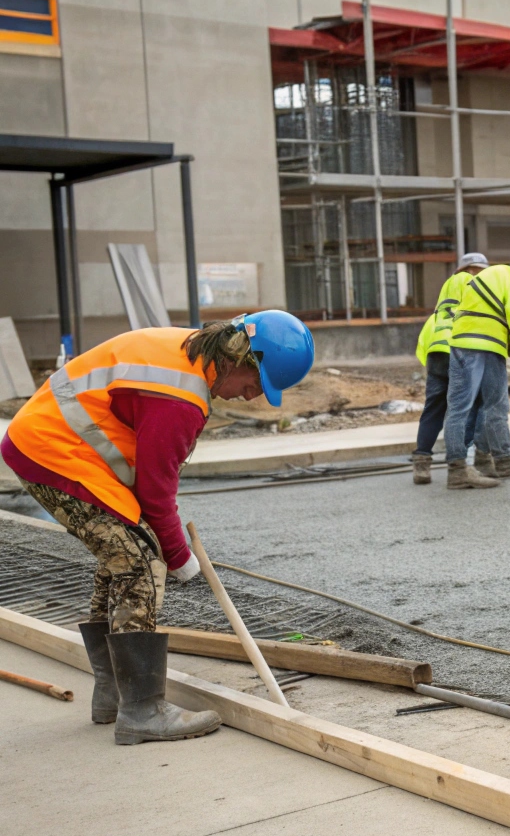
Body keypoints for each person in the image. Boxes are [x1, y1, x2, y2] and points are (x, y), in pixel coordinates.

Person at [1, 313, 314, 745]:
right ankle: (143, 710)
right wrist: (180, 558)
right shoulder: (179, 398)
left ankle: (112, 693)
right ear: (241, 356)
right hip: (54, 455)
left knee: (122, 556)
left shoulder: (187, 357)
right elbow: (155, 492)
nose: (253, 396)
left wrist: (167, 542)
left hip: (50, 446)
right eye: (257, 382)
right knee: (141, 564)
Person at [443, 260, 510, 489]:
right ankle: (462, 470)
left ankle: (490, 462)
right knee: (489, 405)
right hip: (484, 345)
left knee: (472, 406)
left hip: (467, 343)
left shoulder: (489, 276)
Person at [411, 253, 487, 484]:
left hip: (436, 351)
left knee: (433, 409)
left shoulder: (445, 294)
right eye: (478, 269)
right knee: (466, 408)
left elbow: (426, 334)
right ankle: (459, 463)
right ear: (469, 270)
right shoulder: (471, 285)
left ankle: (421, 465)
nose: (482, 274)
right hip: (459, 349)